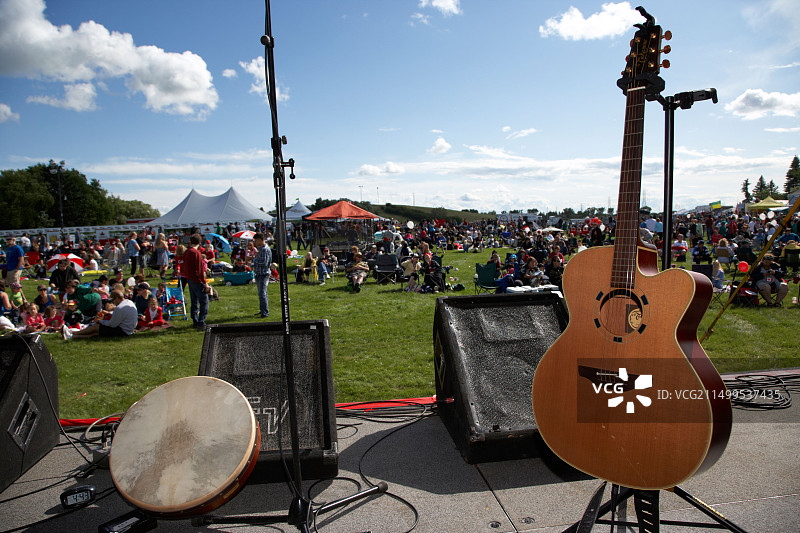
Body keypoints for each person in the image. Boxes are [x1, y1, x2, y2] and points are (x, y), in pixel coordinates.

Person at [63, 290, 137, 339]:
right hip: (129, 330)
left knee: (96, 327)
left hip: (122, 330)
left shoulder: (119, 308)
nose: (113, 303)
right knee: (96, 333)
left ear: (118, 298)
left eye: (113, 300)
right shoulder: (129, 302)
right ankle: (73, 335)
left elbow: (112, 324)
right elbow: (122, 315)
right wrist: (109, 313)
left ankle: (73, 333)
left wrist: (100, 321)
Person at [184, 234, 211, 330]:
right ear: (199, 243)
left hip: (190, 279)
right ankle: (201, 322)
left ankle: (195, 320)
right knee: (204, 302)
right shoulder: (196, 253)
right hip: (197, 280)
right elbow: (200, 271)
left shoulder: (187, 252)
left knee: (194, 301)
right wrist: (205, 283)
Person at [252, 232, 272, 318]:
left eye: (256, 241)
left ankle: (265, 312)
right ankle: (262, 310)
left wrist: (253, 260)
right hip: (259, 273)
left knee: (262, 293)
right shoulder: (260, 249)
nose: (255, 243)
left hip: (264, 274)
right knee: (261, 294)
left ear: (260, 240)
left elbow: (264, 262)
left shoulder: (264, 249)